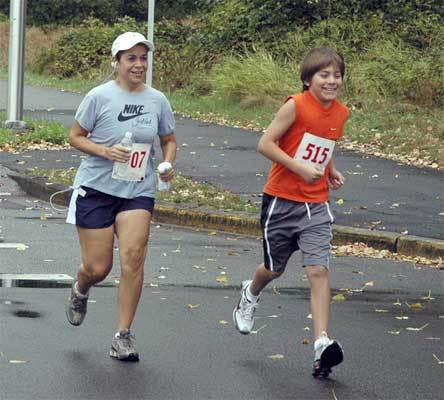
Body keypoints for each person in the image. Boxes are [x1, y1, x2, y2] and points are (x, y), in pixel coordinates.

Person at [233, 47, 349, 378]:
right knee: (274, 268)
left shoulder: (341, 113)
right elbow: (265, 144)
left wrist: (331, 169)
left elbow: (325, 143)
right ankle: (250, 292)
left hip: (316, 203)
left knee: (318, 271)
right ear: (308, 79)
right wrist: (298, 167)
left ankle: (321, 344)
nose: (331, 81)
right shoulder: (294, 106)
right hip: (281, 202)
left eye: (337, 75)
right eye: (324, 75)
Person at [65, 31, 177, 361]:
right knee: (99, 267)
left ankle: (122, 335)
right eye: (131, 58)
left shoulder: (157, 99)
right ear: (116, 62)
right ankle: (81, 287)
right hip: (96, 189)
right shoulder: (98, 97)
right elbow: (74, 137)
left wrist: (168, 162)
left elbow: (168, 138)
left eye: (143, 58)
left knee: (133, 258)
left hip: (137, 190)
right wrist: (104, 151)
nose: (139, 64)